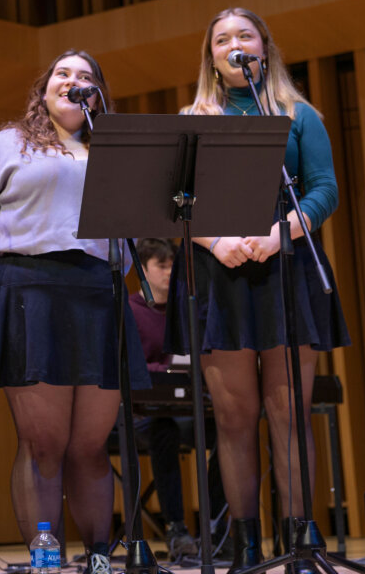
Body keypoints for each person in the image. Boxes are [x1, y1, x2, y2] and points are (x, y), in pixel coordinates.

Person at [166, 7, 349, 573]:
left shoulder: (299, 114)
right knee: (236, 417)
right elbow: (173, 202)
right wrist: (217, 242)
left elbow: (323, 189)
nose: (234, 44)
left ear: (262, 48)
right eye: (221, 38)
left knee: (289, 410)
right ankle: (245, 544)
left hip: (285, 261)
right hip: (217, 269)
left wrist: (279, 234)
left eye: (244, 35)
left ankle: (299, 538)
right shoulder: (192, 117)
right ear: (212, 59)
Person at [0, 50, 149, 574]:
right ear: (45, 89)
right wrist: (1, 291)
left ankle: (99, 558)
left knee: (89, 445)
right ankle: (45, 558)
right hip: (29, 292)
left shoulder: (111, 153)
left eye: (86, 77)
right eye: (63, 73)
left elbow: (130, 236)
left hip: (97, 295)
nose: (73, 81)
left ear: (98, 95)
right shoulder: (7, 144)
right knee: (43, 444)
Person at [127, 239, 224, 563]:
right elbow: (132, 366)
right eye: (162, 266)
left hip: (187, 408)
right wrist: (170, 367)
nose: (170, 273)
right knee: (163, 430)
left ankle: (218, 527)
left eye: (173, 266)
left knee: (226, 433)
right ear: (142, 269)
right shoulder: (130, 309)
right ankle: (177, 528)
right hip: (144, 415)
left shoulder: (187, 310)